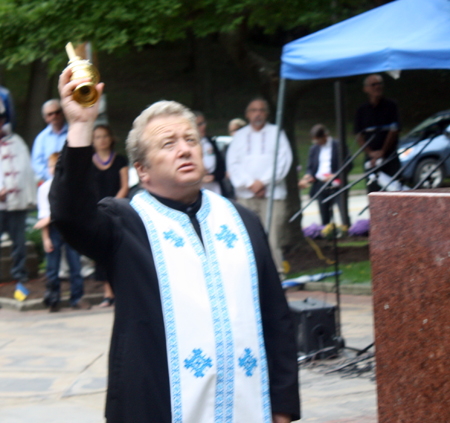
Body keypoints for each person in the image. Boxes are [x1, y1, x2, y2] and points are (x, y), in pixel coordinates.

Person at [50, 69, 300, 423]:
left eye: (191, 140)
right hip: (157, 406)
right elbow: (70, 215)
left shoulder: (242, 221)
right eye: (168, 144)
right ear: (143, 170)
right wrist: (79, 126)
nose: (184, 148)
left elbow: (276, 316)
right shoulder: (124, 223)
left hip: (247, 406)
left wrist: (283, 405)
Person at [226, 98, 293, 273]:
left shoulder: (276, 132)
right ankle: (251, 275)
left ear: (267, 113)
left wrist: (263, 182)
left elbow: (283, 161)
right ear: (247, 114)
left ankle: (277, 275)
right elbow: (232, 164)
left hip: (273, 194)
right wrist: (250, 184)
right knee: (247, 237)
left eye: (262, 110)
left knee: (273, 238)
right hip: (246, 196)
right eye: (254, 110)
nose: (258, 113)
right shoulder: (240, 136)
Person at [34, 153, 89, 312]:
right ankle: (53, 298)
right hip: (53, 229)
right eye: (51, 167)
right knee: (52, 266)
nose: (55, 170)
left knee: (75, 265)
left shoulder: (71, 185)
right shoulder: (44, 188)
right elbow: (43, 214)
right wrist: (45, 238)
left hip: (70, 227)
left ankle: (77, 297)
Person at [92, 124, 129, 307]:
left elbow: (125, 186)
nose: (102, 140)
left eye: (105, 136)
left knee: (120, 251)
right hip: (97, 213)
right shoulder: (89, 163)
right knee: (102, 252)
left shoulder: (120, 160)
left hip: (117, 210)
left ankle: (122, 291)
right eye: (98, 137)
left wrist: (113, 204)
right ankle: (108, 293)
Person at [0, 100, 36, 284]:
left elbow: (25, 170)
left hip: (16, 202)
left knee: (18, 242)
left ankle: (19, 274)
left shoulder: (17, 142)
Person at [354, 74, 401, 192]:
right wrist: (370, 153)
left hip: (389, 157)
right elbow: (358, 134)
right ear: (366, 89)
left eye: (380, 84)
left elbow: (394, 130)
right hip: (371, 160)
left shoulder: (391, 106)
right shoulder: (362, 110)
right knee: (374, 192)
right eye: (373, 84)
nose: (377, 87)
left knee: (394, 191)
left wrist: (383, 152)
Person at [298, 124, 348, 225]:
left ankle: (346, 229)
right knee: (324, 214)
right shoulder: (314, 149)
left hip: (336, 183)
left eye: (319, 140)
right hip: (320, 183)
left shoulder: (338, 145)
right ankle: (327, 232)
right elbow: (310, 167)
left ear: (325, 135)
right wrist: (308, 176)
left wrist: (335, 175)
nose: (317, 143)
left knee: (343, 212)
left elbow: (348, 164)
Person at [31, 99, 68, 182]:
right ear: (45, 118)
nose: (54, 116)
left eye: (57, 112)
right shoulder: (41, 138)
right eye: (50, 114)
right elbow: (36, 163)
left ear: (63, 112)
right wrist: (50, 176)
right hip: (48, 182)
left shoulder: (73, 133)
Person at [193, 111, 226, 195]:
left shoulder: (211, 142)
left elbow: (221, 167)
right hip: (196, 188)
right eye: (199, 124)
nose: (202, 127)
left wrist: (214, 176)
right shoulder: (187, 145)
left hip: (214, 187)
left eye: (203, 123)